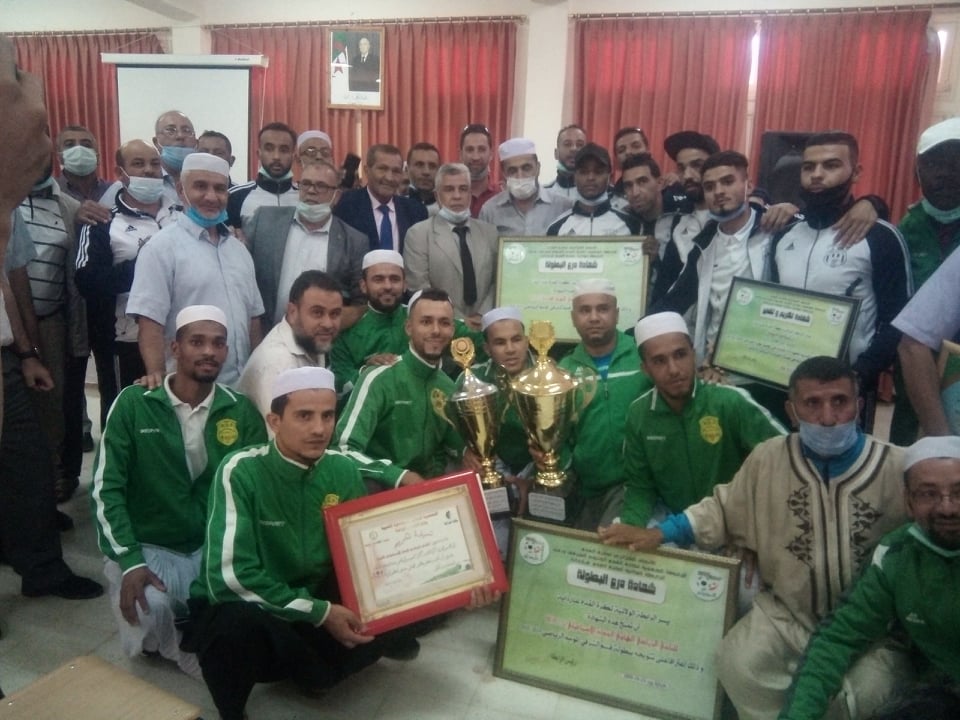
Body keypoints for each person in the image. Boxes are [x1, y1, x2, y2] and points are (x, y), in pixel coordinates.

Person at [600, 356, 910, 720]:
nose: (828, 417)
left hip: (871, 631)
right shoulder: (770, 457)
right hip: (789, 615)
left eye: (839, 401)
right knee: (738, 664)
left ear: (858, 404)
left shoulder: (899, 466)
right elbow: (722, 508)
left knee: (871, 693)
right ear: (791, 411)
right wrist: (658, 533)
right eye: (812, 403)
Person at [181, 366, 499, 720]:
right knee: (233, 626)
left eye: (328, 415)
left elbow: (366, 557)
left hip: (312, 598)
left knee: (394, 609)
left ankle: (314, 673)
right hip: (259, 607)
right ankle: (232, 710)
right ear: (274, 421)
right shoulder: (240, 471)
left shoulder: (342, 469)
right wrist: (321, 613)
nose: (319, 429)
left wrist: (461, 583)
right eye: (304, 416)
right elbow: (228, 577)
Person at [90, 305, 266, 678]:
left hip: (209, 547)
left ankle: (196, 625)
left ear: (226, 351)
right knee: (148, 608)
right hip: (149, 545)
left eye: (218, 343)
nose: (208, 351)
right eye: (196, 342)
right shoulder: (135, 404)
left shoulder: (240, 412)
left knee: (250, 615)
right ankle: (169, 636)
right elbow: (107, 490)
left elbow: (253, 495)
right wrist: (131, 560)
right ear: (175, 348)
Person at [778, 435, 960, 720]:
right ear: (909, 503)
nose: (947, 508)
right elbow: (838, 638)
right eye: (928, 494)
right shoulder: (895, 556)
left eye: (959, 492)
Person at [0, 209, 103, 600]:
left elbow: (8, 285)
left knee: (28, 462)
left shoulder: (5, 209)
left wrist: (27, 353)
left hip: (5, 361)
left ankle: (40, 566)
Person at [771, 132, 912, 403]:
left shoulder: (880, 237)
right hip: (783, 379)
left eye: (831, 165)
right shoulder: (784, 235)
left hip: (848, 389)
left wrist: (860, 375)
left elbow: (898, 320)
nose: (817, 175)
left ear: (855, 172)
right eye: (809, 167)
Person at [613, 311, 785, 531]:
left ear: (693, 355)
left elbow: (787, 458)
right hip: (671, 527)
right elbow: (639, 486)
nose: (674, 369)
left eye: (680, 355)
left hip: (736, 526)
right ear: (645, 369)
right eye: (659, 361)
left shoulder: (729, 401)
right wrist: (631, 527)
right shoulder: (639, 414)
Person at [127, 152, 264, 387]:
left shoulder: (239, 251)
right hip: (188, 390)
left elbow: (253, 319)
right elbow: (150, 321)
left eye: (220, 188)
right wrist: (157, 377)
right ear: (181, 190)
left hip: (240, 389)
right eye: (201, 186)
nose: (211, 196)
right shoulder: (160, 248)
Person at [75, 140, 178, 420]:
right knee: (126, 419)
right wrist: (146, 264)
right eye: (138, 164)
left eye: (154, 164)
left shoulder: (180, 217)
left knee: (172, 419)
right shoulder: (103, 223)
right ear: (120, 173)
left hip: (177, 340)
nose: (149, 170)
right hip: (124, 341)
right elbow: (86, 280)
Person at [649, 151, 774, 364]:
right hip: (711, 363)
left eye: (727, 182)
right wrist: (632, 334)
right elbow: (676, 299)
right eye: (709, 186)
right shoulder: (703, 243)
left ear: (749, 186)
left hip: (763, 363)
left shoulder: (774, 232)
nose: (719, 191)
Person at [335, 288, 465, 488]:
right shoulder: (378, 378)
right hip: (380, 492)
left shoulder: (449, 387)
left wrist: (468, 454)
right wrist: (398, 476)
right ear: (409, 328)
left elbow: (454, 447)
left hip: (430, 493)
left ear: (453, 330)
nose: (436, 331)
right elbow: (343, 450)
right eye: (426, 322)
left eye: (444, 323)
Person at [18, 156, 87, 502]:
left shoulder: (69, 207)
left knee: (51, 411)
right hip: (6, 324)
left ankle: (47, 493)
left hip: (50, 324)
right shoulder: (7, 201)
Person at [556, 279, 648, 529]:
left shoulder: (644, 357)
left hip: (637, 488)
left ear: (616, 314)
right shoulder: (563, 372)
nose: (594, 317)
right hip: (586, 492)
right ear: (573, 318)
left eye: (603, 309)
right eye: (585, 310)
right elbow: (559, 435)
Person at [890, 118, 960, 442]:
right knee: (911, 451)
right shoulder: (903, 228)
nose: (946, 174)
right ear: (917, 173)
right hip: (912, 366)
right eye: (934, 164)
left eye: (956, 163)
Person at [330, 250, 482, 392]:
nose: (388, 286)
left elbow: (483, 342)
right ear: (363, 286)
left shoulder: (426, 318)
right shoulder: (347, 330)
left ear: (404, 285)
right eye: (378, 280)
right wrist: (368, 371)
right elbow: (341, 382)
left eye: (394, 279)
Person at [243, 160, 366, 329]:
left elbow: (360, 303)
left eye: (321, 186)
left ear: (336, 196)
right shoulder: (264, 221)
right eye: (306, 184)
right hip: (266, 335)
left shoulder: (354, 241)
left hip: (323, 340)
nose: (311, 191)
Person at [403, 163, 499, 325]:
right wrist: (459, 320)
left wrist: (482, 315)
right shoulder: (418, 234)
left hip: (485, 324)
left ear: (470, 194)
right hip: (441, 325)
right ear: (437, 195)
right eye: (449, 189)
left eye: (463, 189)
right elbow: (419, 287)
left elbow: (497, 281)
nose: (457, 196)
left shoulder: (490, 233)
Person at [239, 271, 344, 417]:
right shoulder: (276, 364)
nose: (328, 324)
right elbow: (278, 430)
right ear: (293, 312)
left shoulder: (311, 341)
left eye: (334, 314)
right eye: (317, 313)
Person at [333, 143, 428, 253]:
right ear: (367, 171)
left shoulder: (416, 211)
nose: (389, 178)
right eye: (382, 169)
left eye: (396, 171)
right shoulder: (347, 205)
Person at [479, 138, 572, 236]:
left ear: (538, 168)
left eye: (526, 168)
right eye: (512, 170)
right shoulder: (490, 211)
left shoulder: (563, 207)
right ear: (504, 173)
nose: (520, 176)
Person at [546, 143, 636, 236]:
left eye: (598, 172)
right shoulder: (556, 228)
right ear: (574, 177)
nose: (590, 177)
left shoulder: (631, 225)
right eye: (583, 172)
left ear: (609, 175)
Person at [227, 122, 299, 229]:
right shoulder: (235, 197)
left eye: (284, 150)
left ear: (293, 156)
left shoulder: (305, 197)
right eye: (269, 149)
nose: (276, 156)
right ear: (259, 154)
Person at [54, 124, 118, 225]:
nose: (79, 149)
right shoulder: (52, 192)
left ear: (97, 157)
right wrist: (72, 216)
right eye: (70, 145)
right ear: (59, 157)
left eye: (86, 145)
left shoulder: (113, 191)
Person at [152, 109, 197, 209]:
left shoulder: (207, 181)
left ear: (195, 141)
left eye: (186, 130)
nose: (180, 136)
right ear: (156, 142)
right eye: (171, 130)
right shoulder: (143, 183)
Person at [460, 123, 497, 217]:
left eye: (481, 149)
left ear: (491, 154)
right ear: (460, 154)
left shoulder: (502, 196)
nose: (475, 157)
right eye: (469, 150)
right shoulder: (451, 195)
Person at [544, 124, 586, 200]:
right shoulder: (544, 194)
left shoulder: (601, 193)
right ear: (556, 153)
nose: (574, 149)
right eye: (567, 144)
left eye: (580, 145)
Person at [405, 142, 441, 215]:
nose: (426, 172)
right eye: (419, 165)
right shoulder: (395, 206)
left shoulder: (448, 209)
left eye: (432, 166)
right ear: (407, 170)